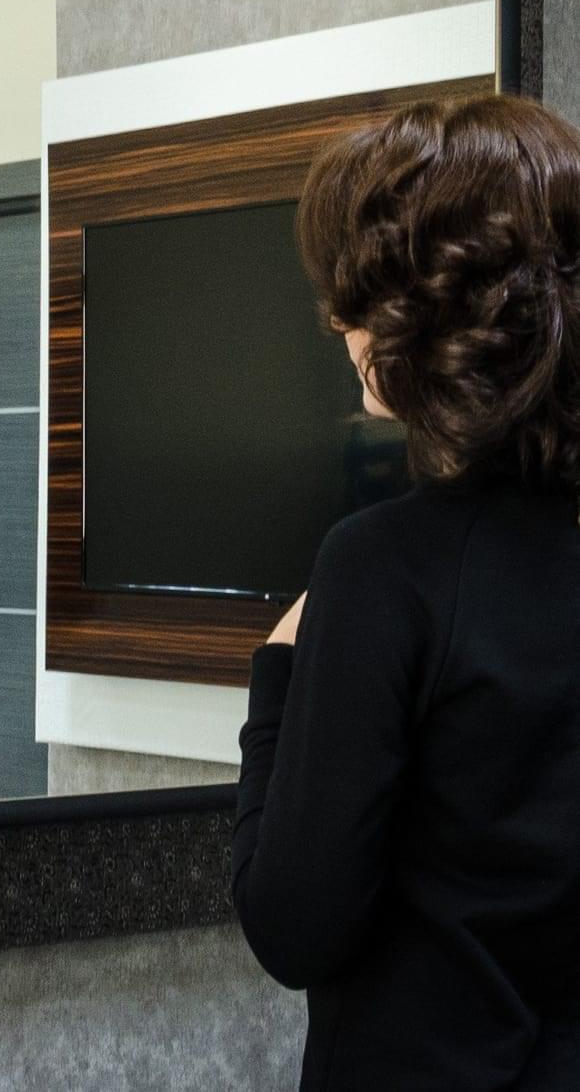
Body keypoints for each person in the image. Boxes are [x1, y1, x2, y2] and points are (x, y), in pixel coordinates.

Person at [233, 93, 580, 1091]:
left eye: (363, 296)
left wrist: (280, 677)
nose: (339, 323)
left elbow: (294, 926)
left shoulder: (383, 566)